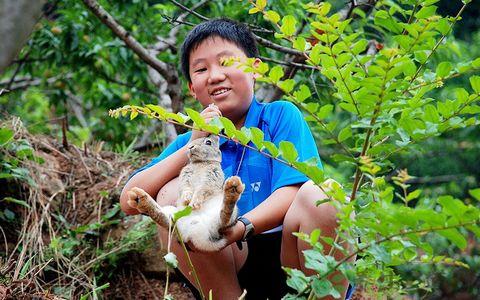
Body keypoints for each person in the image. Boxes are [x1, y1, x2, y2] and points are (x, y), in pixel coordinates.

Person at [120, 18, 351, 299]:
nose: (215, 76)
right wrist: (196, 143)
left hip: (290, 254)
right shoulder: (190, 142)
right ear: (193, 89)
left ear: (255, 69)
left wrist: (241, 228)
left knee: (324, 194)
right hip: (230, 265)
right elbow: (130, 200)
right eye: (202, 69)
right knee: (170, 193)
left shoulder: (279, 116)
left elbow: (293, 189)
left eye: (226, 62)